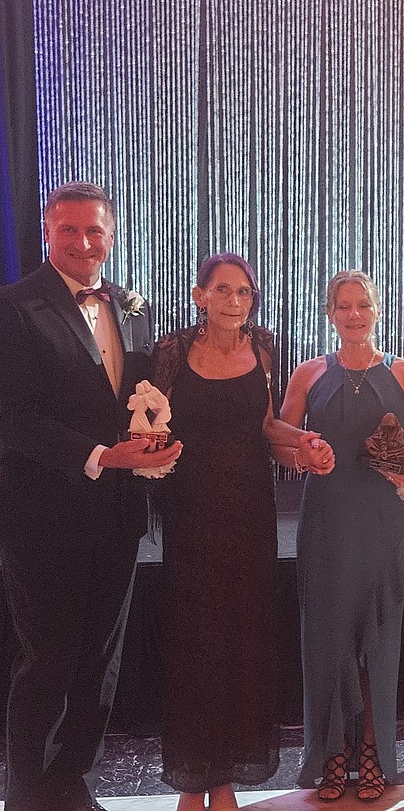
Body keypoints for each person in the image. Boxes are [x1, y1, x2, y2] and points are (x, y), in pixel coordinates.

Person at [0, 182, 182, 811]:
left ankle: (74, 781)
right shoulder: (14, 308)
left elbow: (135, 400)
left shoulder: (132, 308)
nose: (83, 243)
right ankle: (28, 789)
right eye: (69, 230)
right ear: (47, 232)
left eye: (95, 231)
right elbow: (11, 417)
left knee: (100, 659)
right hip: (42, 516)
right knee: (48, 655)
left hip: (118, 514)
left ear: (112, 235)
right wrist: (101, 456)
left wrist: (153, 442)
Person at [151, 253, 333, 811]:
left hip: (251, 515)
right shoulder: (171, 352)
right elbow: (153, 426)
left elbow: (265, 426)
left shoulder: (265, 348)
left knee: (240, 645)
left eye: (245, 293)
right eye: (224, 291)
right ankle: (190, 782)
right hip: (190, 515)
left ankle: (224, 779)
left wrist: (302, 444)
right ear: (199, 295)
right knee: (193, 645)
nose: (236, 302)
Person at [280, 270, 404, 802]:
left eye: (363, 305)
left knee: (377, 641)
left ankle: (372, 752)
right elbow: (279, 440)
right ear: (330, 314)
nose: (354, 315)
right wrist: (302, 454)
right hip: (326, 522)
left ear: (377, 311)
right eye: (343, 306)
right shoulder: (307, 374)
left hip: (379, 523)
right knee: (325, 643)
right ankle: (331, 756)